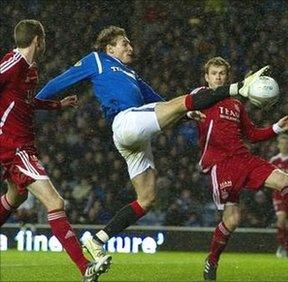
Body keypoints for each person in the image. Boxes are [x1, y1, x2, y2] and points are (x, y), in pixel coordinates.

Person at [35, 26, 269, 264]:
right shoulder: (97, 59)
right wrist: (35, 102)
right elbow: (59, 81)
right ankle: (239, 87)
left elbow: (160, 102)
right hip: (126, 121)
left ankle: (97, 240)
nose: (130, 47)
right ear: (110, 48)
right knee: (180, 102)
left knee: (146, 199)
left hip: (136, 135)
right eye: (125, 43)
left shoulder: (131, 74)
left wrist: (187, 115)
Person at [190, 57, 288, 281]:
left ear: (227, 77)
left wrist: (277, 126)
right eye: (214, 73)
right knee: (232, 220)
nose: (218, 76)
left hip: (244, 158)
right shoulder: (201, 95)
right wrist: (190, 114)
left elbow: (253, 135)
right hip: (221, 164)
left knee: (284, 179)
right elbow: (187, 108)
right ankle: (212, 260)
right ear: (206, 77)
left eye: (222, 73)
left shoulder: (236, 105)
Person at [0, 19, 110, 282]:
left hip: (22, 142)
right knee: (55, 202)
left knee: (14, 198)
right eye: (45, 38)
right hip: (14, 145)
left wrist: (56, 105)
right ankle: (86, 268)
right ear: (38, 40)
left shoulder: (31, 69)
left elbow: (25, 102)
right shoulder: (14, 62)